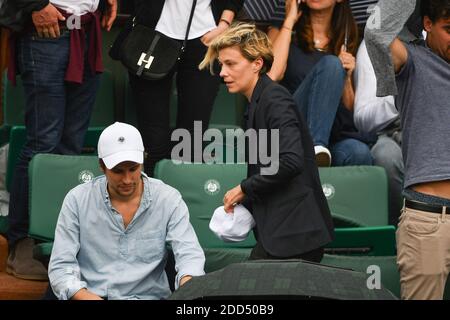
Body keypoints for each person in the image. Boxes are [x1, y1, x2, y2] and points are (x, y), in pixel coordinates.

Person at [200, 23, 334, 262]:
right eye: (222, 64)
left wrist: (244, 188)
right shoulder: (259, 101)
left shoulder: (275, 98)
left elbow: (291, 162)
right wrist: (247, 202)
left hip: (295, 234)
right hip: (284, 233)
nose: (222, 73)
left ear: (257, 64)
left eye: (230, 64)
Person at [4, 0, 117, 281]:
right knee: (42, 144)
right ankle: (22, 243)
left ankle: (60, 241)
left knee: (71, 147)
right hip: (47, 30)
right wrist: (35, 4)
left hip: (87, 28)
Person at [48, 122, 205, 300]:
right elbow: (61, 267)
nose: (127, 179)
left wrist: (187, 285)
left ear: (143, 161)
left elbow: (189, 254)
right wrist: (85, 296)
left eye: (133, 169)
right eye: (118, 171)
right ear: (102, 166)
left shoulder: (168, 199)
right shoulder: (77, 200)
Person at [367, 0, 450, 299]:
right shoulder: (412, 60)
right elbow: (376, 32)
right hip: (429, 217)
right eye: (449, 29)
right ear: (427, 24)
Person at [112, 0, 243, 176]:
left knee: (192, 139)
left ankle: (186, 199)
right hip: (153, 34)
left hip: (206, 36)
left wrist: (223, 24)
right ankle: (154, 197)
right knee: (153, 139)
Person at [268, 0, 373, 167]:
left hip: (333, 135)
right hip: (290, 130)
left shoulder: (349, 41)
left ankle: (318, 152)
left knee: (359, 152)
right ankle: (315, 147)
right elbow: (272, 74)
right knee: (331, 63)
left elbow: (352, 112)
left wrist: (346, 78)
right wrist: (289, 21)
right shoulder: (282, 30)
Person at [353, 40, 404, 226]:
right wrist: (400, 98)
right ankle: (402, 229)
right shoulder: (376, 41)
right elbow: (363, 119)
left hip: (437, 129)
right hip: (393, 130)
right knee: (385, 156)